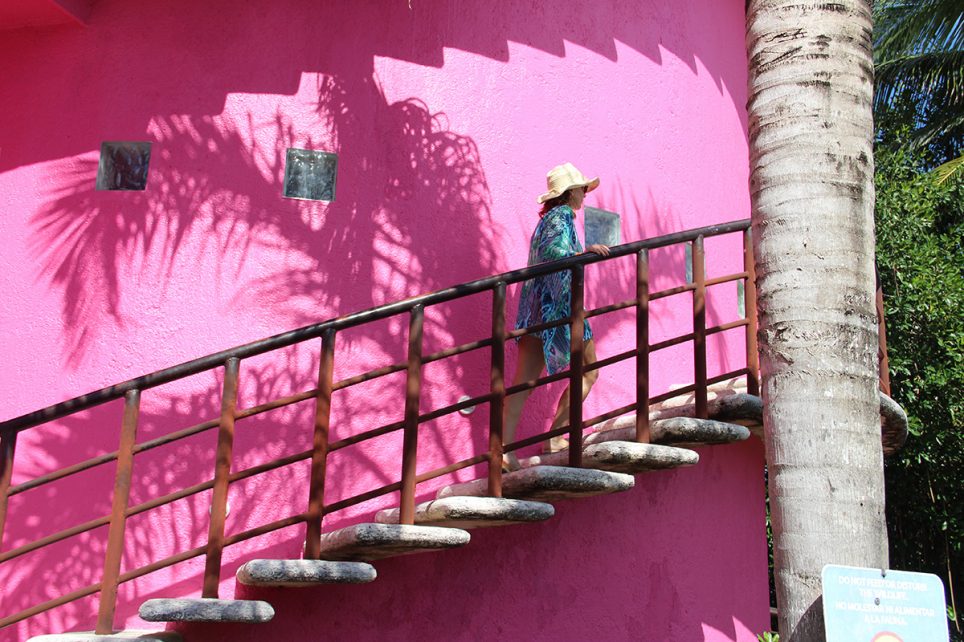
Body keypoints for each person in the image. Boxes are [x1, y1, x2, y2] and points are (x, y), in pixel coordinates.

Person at [502, 162, 610, 471]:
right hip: (557, 310)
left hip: (539, 311)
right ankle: (553, 436)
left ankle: (505, 450)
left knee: (524, 383)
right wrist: (584, 253)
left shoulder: (549, 219)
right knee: (589, 371)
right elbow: (554, 254)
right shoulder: (561, 216)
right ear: (569, 192)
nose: (585, 194)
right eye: (582, 189)